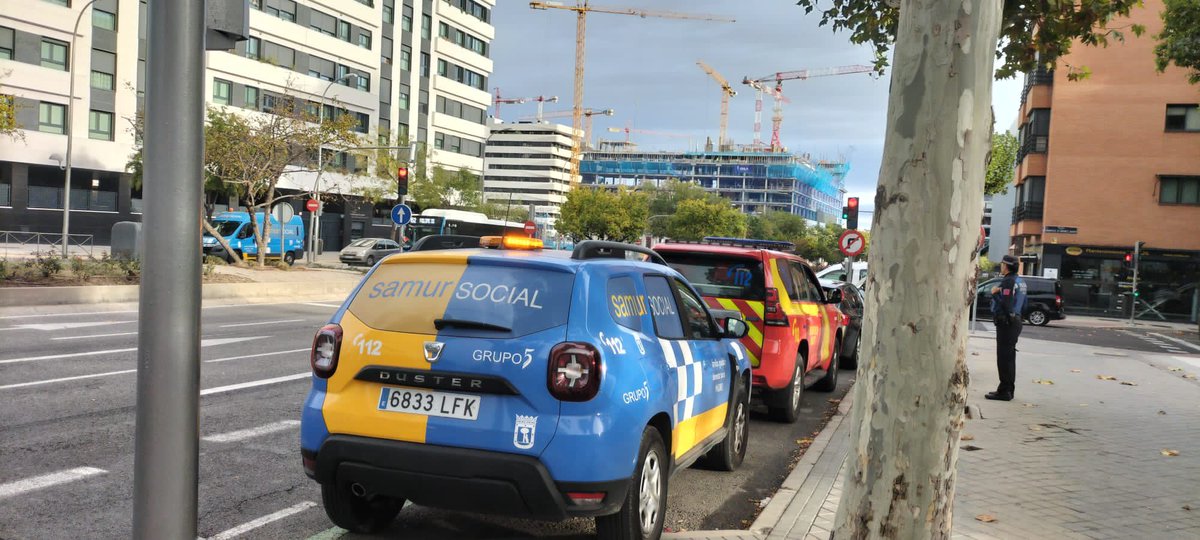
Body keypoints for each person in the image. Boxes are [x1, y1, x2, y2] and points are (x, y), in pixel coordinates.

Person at [987, 255, 1027, 401]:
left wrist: (995, 293)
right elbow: (1024, 304)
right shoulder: (1021, 281)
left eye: (1002, 264)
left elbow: (1006, 302)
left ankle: (1004, 391)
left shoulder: (1008, 281)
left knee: (1004, 358)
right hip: (1016, 321)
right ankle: (1008, 390)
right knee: (1010, 358)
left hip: (1007, 323)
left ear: (1006, 266)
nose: (1001, 266)